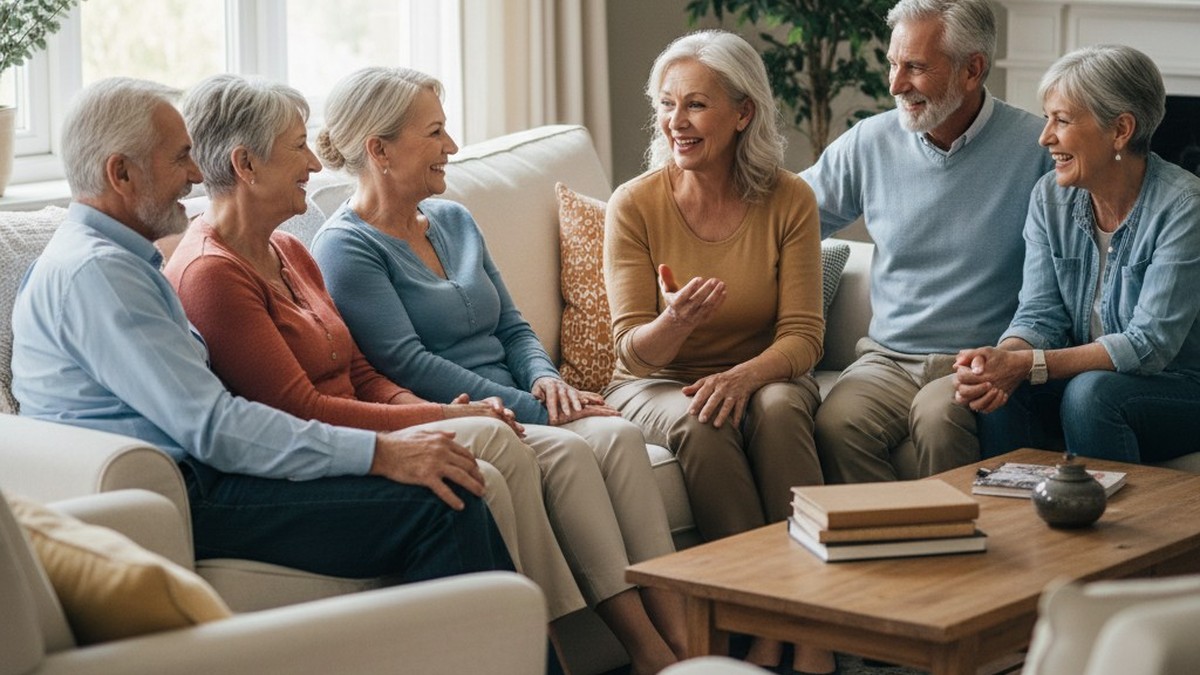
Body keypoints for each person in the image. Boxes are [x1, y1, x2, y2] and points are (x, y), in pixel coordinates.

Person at [10, 78, 513, 587]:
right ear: (120, 173)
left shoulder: (115, 262)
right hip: (185, 494)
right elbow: (214, 427)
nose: (194, 174)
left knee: (457, 482)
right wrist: (383, 451)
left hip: (194, 478)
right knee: (446, 503)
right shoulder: (100, 274)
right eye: (179, 158)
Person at [160, 74, 590, 637]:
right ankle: (538, 636)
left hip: (365, 428)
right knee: (482, 449)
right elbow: (300, 408)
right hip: (316, 456)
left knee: (486, 441)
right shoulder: (212, 274)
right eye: (297, 146)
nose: (315, 164)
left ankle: (536, 634)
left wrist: (426, 408)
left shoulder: (286, 246)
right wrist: (436, 417)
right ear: (246, 165)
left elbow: (359, 370)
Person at [310, 67, 685, 673]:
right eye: (434, 133)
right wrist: (536, 408)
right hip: (467, 412)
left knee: (616, 435)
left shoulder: (454, 219)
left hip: (526, 397)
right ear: (379, 149)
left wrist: (548, 379)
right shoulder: (345, 248)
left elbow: (512, 325)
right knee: (568, 453)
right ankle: (648, 652)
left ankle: (684, 641)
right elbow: (407, 363)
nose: (451, 148)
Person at [602, 29, 831, 674]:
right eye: (668, 105)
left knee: (782, 407)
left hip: (764, 372)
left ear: (743, 113)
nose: (678, 121)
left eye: (697, 105)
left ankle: (808, 616)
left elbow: (805, 337)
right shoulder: (635, 204)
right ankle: (765, 618)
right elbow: (634, 353)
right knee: (702, 421)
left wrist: (741, 376)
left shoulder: (790, 198)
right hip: (655, 381)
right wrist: (673, 323)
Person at [799, 0, 1054, 481]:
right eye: (894, 64)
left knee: (939, 421)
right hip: (888, 359)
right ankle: (887, 549)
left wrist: (1015, 354)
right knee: (835, 425)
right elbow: (788, 220)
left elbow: (1060, 279)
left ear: (972, 70)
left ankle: (960, 552)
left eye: (915, 67)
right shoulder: (868, 142)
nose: (895, 85)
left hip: (978, 358)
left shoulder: (1036, 149)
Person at [954, 45, 1200, 462]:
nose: (1044, 136)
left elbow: (1149, 346)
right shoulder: (1050, 198)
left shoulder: (1183, 206)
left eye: (1062, 120)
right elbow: (1038, 314)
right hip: (1093, 383)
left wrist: (1029, 365)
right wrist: (999, 361)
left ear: (1120, 129)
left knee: (1091, 394)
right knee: (1002, 391)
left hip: (1179, 387)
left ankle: (1108, 524)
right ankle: (1013, 522)